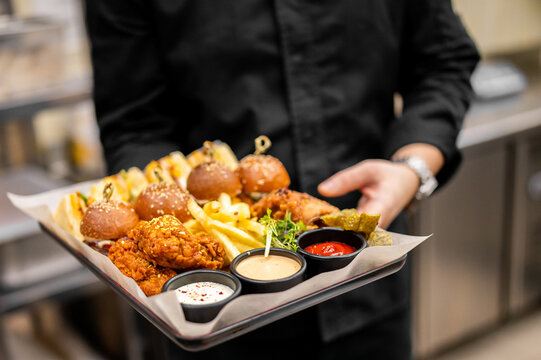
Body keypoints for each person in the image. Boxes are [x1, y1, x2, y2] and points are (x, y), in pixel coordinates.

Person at [85, 1, 479, 359]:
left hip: (364, 275)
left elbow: (444, 60)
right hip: (211, 311)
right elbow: (133, 121)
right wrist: (165, 237)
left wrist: (412, 167)